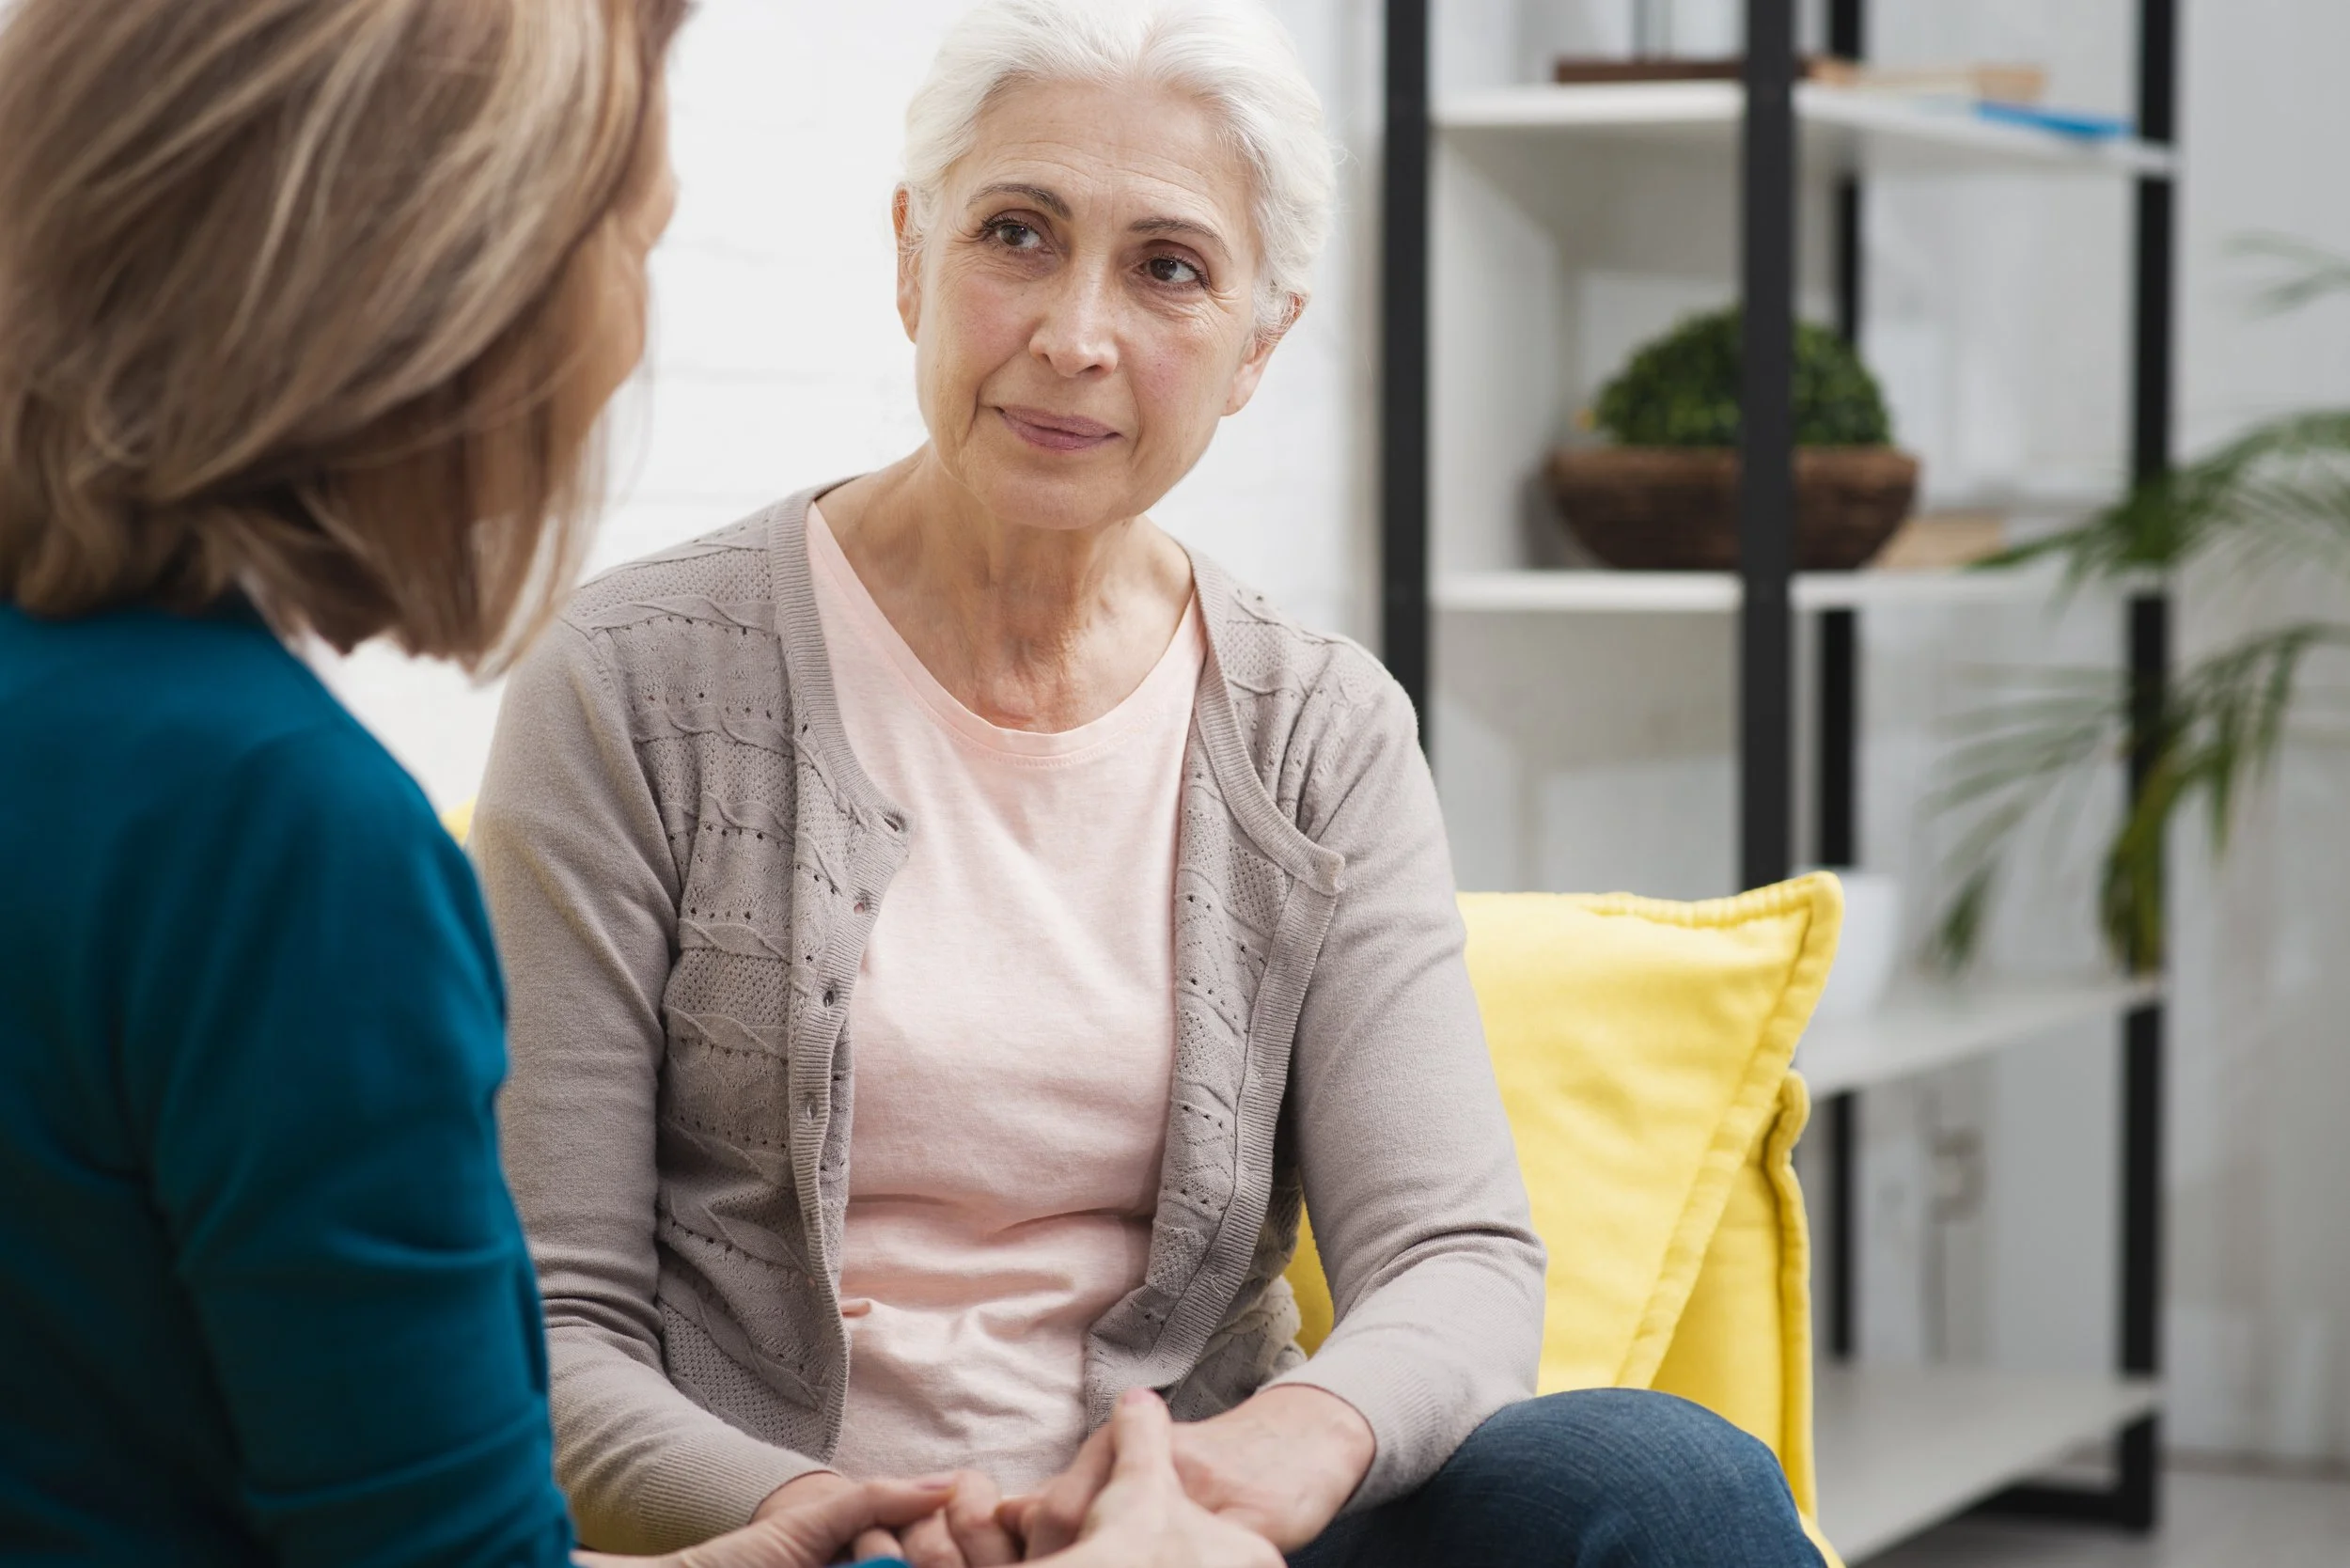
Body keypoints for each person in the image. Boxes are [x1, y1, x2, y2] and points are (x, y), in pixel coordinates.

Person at [474, 0, 1827, 1564]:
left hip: (1199, 1534)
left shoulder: (1321, 731)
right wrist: (811, 1515)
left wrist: (1258, 1471)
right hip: (807, 1537)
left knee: (1666, 1485)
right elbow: (539, 1313)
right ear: (913, 255)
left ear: (1258, 344)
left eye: (1169, 267)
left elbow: (1453, 1256)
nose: (1075, 336)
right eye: (1018, 234)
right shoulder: (636, 677)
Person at [0, 2, 1273, 1565]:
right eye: (624, 251)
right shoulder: (283, 840)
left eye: (1166, 266)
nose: (617, 356)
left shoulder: (104, 754)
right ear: (429, 300)